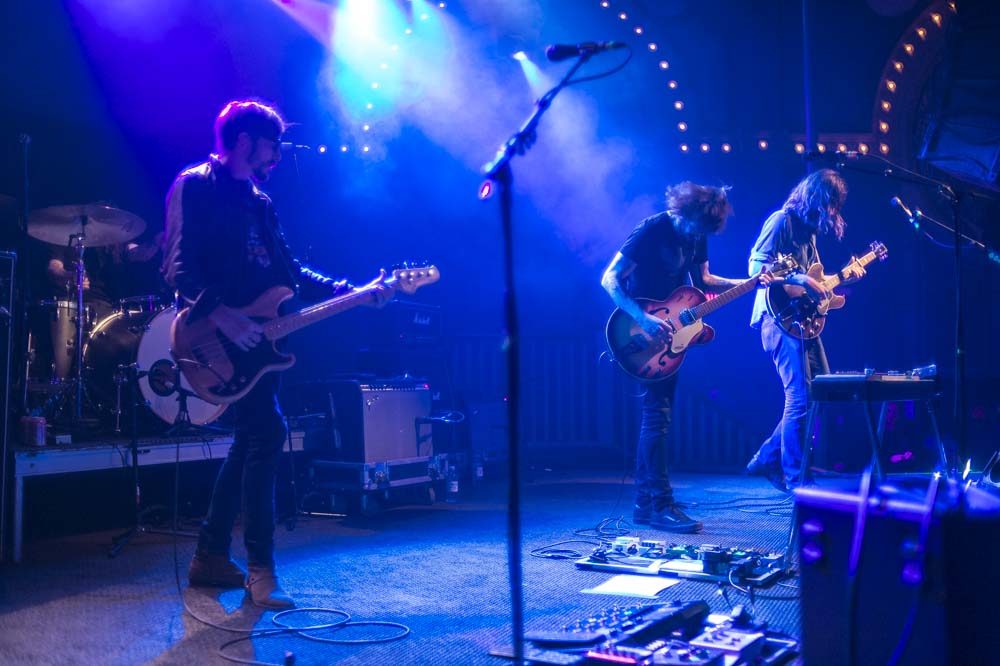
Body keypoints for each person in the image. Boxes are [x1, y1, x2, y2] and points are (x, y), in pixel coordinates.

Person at [162, 99, 389, 609]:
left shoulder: (260, 203)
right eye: (272, 145)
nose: (278, 155)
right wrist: (224, 317)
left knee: (253, 437)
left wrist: (355, 291)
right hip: (212, 338)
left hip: (262, 343)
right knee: (267, 431)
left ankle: (209, 557)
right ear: (243, 141)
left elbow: (290, 274)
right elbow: (178, 269)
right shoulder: (195, 185)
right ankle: (261, 569)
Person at [601, 182, 757, 533]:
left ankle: (647, 503)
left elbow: (704, 279)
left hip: (673, 335)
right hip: (641, 333)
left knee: (659, 417)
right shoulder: (651, 229)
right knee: (658, 417)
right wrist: (643, 319)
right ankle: (660, 504)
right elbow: (609, 279)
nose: (696, 235)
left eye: (703, 231)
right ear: (682, 212)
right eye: (694, 226)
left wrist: (749, 283)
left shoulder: (696, 233)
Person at [745, 169, 865, 492]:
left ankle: (767, 457)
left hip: (802, 322)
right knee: (798, 397)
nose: (832, 213)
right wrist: (798, 279)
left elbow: (816, 284)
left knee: (819, 394)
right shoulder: (781, 221)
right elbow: (755, 268)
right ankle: (797, 478)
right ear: (816, 199)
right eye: (830, 205)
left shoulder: (809, 235)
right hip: (777, 319)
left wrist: (842, 280)